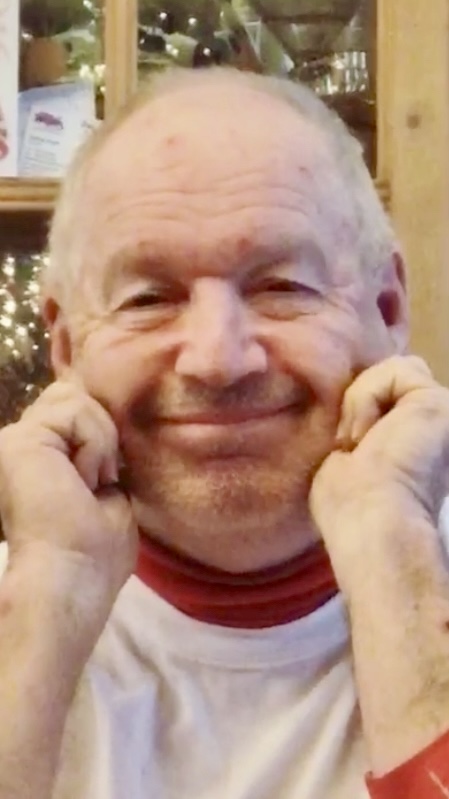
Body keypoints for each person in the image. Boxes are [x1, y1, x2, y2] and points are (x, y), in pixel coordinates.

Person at [0, 66, 449, 799]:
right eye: (148, 298)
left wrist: (392, 554)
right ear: (67, 346)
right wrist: (47, 595)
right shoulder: (21, 606)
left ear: (388, 308)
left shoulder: (418, 565)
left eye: (282, 286)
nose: (216, 359)